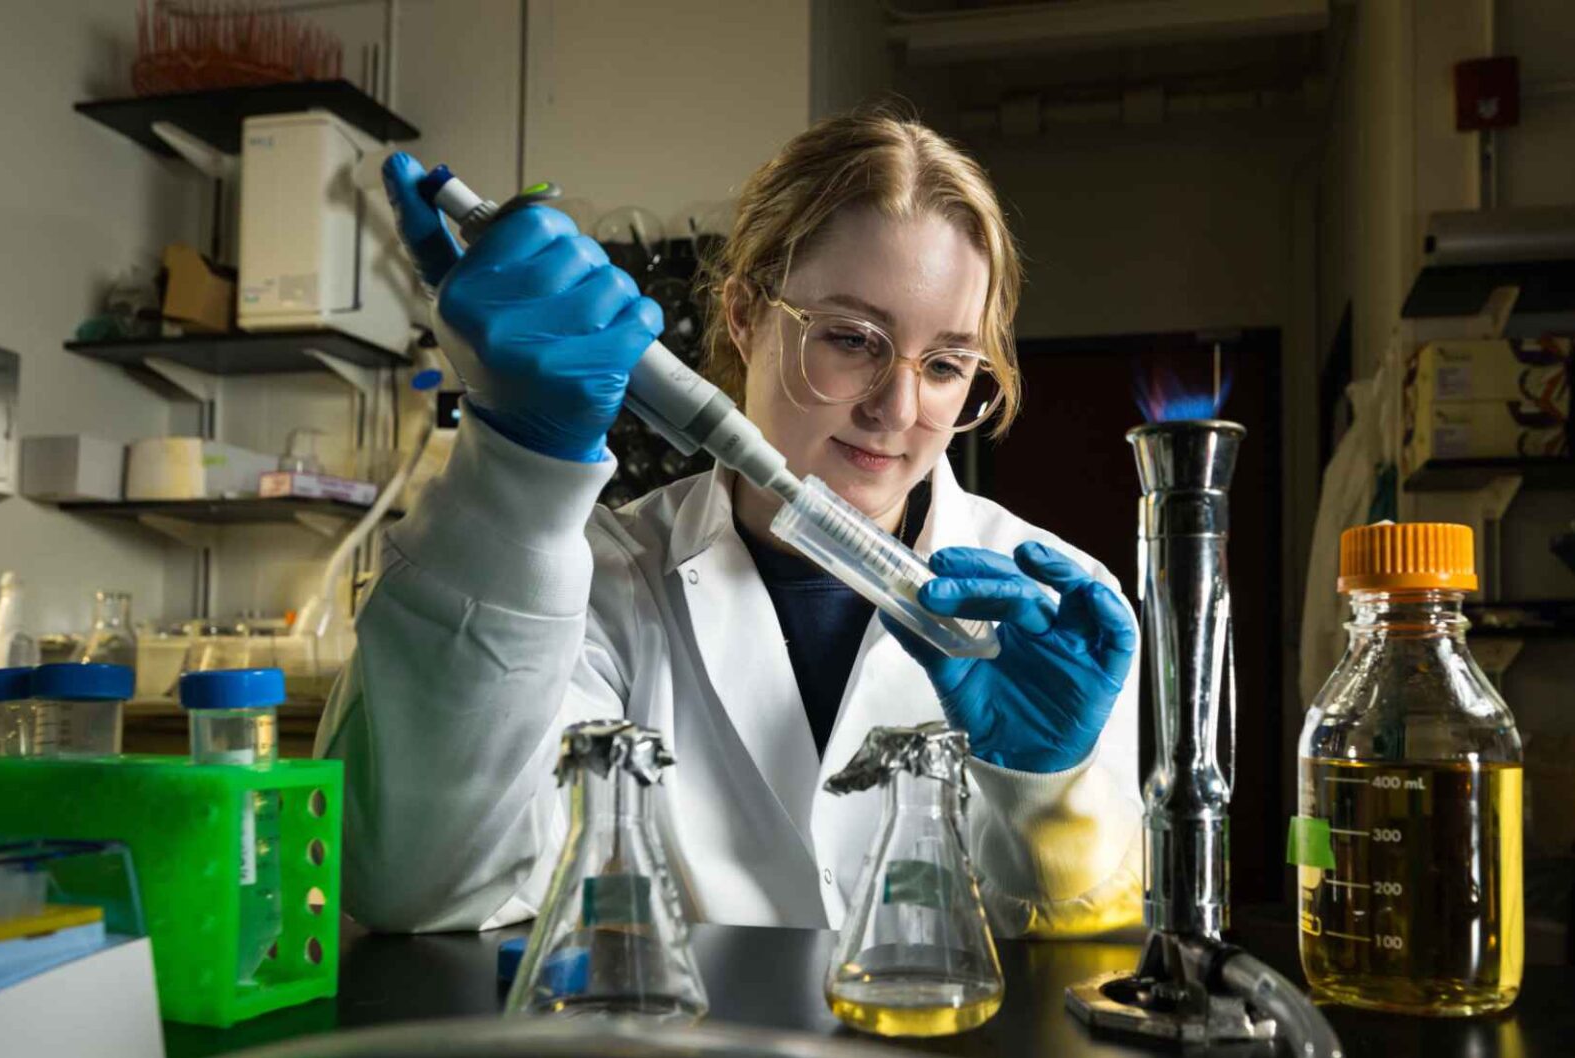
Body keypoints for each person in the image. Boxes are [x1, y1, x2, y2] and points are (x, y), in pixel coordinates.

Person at [319, 109, 1143, 938]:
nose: (897, 408)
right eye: (853, 339)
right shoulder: (601, 583)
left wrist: (1048, 801)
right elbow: (416, 883)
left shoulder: (1051, 613)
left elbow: (1091, 969)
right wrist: (515, 473)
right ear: (745, 315)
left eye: (944, 364)